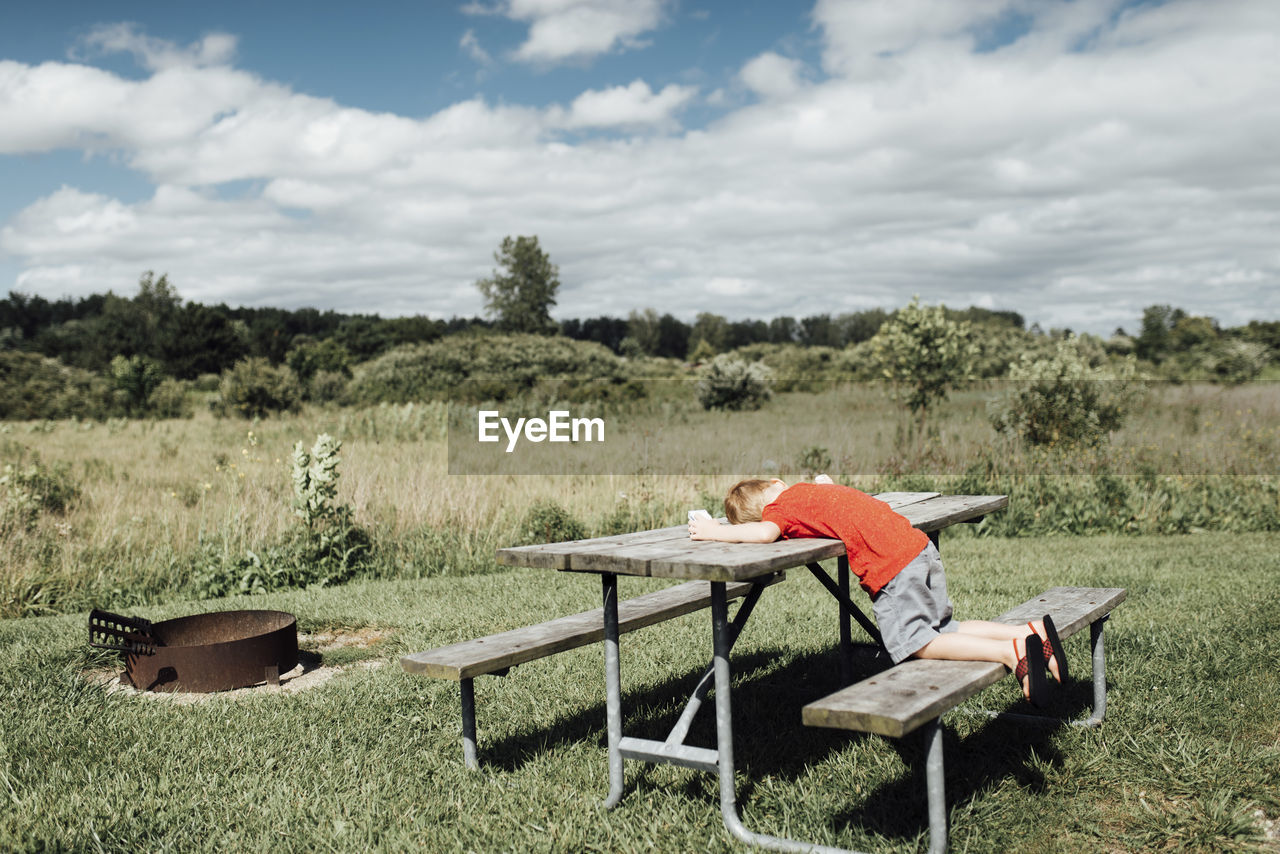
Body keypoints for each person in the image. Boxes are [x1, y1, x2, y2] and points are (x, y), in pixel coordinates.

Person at [688, 476, 1067, 705]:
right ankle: (1028, 632)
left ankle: (1008, 652)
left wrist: (715, 532)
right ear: (777, 485)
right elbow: (832, 496)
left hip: (891, 564)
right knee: (944, 630)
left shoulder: (778, 512)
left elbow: (764, 533)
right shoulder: (813, 491)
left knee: (916, 644)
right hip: (917, 547)